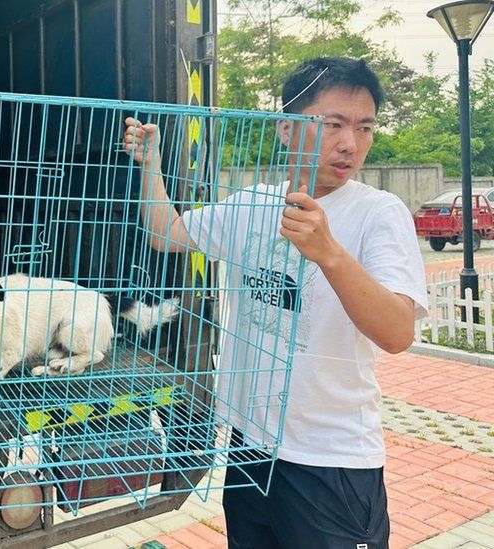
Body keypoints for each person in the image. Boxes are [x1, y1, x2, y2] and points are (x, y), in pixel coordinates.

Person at [123, 57, 428, 548]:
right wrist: (152, 166)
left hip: (331, 460)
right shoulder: (252, 204)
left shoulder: (379, 213)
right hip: (248, 446)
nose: (350, 143)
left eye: (364, 127)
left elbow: (397, 334)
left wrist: (329, 254)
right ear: (287, 129)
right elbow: (167, 233)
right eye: (333, 124)